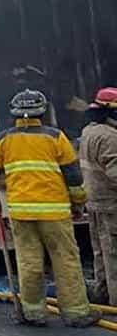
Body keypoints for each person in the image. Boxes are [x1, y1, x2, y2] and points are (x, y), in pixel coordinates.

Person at [0, 89, 100, 327]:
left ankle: (33, 312)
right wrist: (78, 205)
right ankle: (76, 313)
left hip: (21, 214)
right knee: (65, 260)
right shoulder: (56, 138)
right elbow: (73, 177)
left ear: (14, 114)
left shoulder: (2, 140)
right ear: (43, 112)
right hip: (55, 213)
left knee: (28, 261)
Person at [79, 87, 117, 305]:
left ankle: (102, 295)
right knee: (113, 255)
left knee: (100, 253)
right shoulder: (111, 138)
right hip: (111, 205)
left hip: (93, 203)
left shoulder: (88, 132)